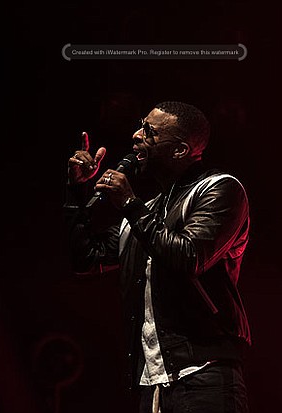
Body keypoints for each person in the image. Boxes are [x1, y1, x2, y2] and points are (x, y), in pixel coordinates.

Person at [64, 101, 251, 413]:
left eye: (149, 132)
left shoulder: (219, 190)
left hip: (204, 375)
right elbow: (87, 259)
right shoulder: (147, 210)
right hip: (152, 384)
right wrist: (76, 190)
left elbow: (188, 257)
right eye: (141, 126)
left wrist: (130, 204)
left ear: (179, 150)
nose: (136, 135)